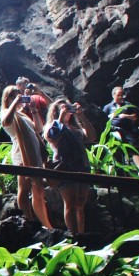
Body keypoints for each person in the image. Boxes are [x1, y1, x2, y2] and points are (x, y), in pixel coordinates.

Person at [0, 85, 53, 228]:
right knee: (24, 188)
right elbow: (5, 122)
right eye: (12, 96)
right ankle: (28, 220)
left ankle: (45, 223)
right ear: (7, 98)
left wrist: (34, 109)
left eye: (18, 95)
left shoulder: (21, 114)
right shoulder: (6, 112)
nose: (17, 98)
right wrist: (14, 103)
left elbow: (38, 129)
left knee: (38, 189)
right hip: (22, 154)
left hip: (34, 153)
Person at [45, 100, 96, 235]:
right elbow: (53, 137)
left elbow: (91, 137)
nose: (67, 110)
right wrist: (61, 118)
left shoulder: (76, 128)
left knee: (80, 204)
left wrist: (81, 116)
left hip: (82, 166)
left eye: (69, 107)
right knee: (70, 203)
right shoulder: (53, 126)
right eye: (64, 107)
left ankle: (81, 234)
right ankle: (73, 235)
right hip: (65, 167)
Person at [109, 104, 139, 171]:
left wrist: (125, 116)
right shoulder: (108, 107)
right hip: (115, 133)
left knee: (135, 146)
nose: (121, 98)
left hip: (129, 132)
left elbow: (135, 117)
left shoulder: (127, 105)